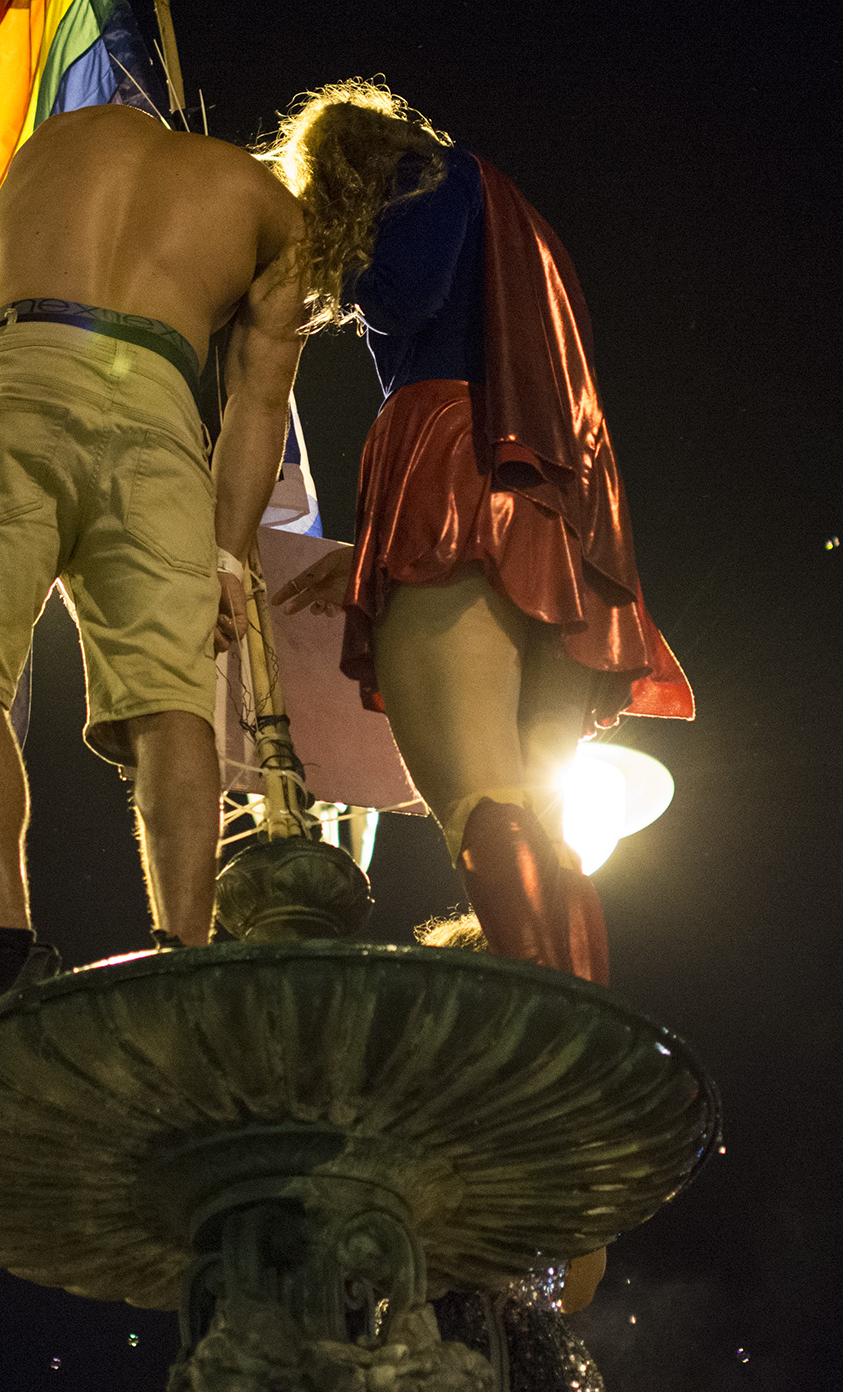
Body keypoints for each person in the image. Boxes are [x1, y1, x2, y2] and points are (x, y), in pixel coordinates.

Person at [267, 83, 693, 1308]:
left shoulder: (426, 188)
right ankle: (587, 1082)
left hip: (449, 457)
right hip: (543, 491)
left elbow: (407, 297)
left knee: (478, 804)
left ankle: (558, 1098)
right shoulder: (504, 207)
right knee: (539, 815)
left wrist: (304, 263)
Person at [0, 103, 308, 1089]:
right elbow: (259, 405)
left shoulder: (54, 136)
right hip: (160, 411)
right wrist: (226, 561)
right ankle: (183, 968)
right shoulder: (269, 205)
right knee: (172, 702)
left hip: (22, 373)